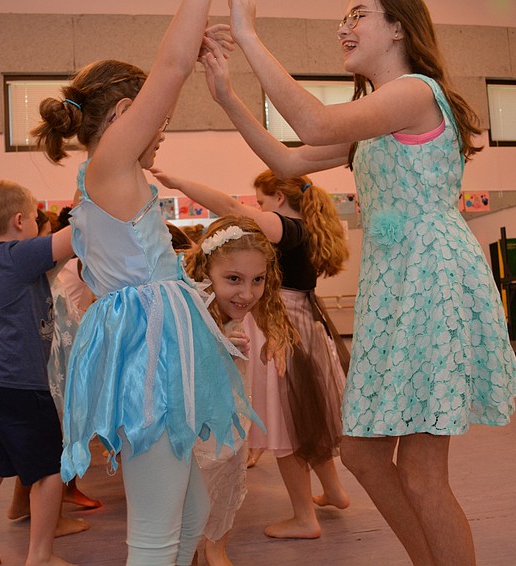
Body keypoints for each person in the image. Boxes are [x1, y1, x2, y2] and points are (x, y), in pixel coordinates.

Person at [198, 0, 516, 563]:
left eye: (359, 14)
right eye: (344, 17)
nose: (344, 26)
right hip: (394, 287)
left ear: (399, 25)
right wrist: (226, 92)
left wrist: (249, 36)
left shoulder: (416, 93)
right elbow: (287, 156)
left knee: (422, 474)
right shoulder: (376, 119)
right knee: (363, 455)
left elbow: (315, 123)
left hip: (430, 281)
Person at [31, 3, 257, 564]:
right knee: (155, 533)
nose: (162, 132)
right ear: (128, 113)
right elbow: (174, 64)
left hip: (153, 351)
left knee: (191, 511)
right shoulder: (110, 164)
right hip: (147, 364)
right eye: (159, 119)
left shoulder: (111, 175)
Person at [153, 170, 351, 540]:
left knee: (284, 424)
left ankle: (305, 517)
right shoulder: (306, 227)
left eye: (260, 203)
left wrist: (182, 183)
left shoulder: (286, 227)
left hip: (283, 325)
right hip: (301, 321)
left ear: (279, 198)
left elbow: (228, 207)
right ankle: (334, 491)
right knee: (305, 416)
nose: (257, 211)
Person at [0, 179, 74, 566]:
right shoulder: (18, 254)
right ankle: (40, 556)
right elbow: (77, 235)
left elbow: (60, 252)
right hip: (16, 383)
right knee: (49, 470)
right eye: (38, 218)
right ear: (21, 220)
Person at [184, 215, 298, 565]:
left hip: (232, 416)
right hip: (194, 425)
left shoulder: (242, 301)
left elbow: (266, 307)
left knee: (228, 474)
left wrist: (277, 333)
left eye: (258, 280)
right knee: (193, 493)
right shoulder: (188, 306)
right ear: (207, 271)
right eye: (233, 279)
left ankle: (216, 547)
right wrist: (213, 342)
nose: (247, 293)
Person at [6, 208, 99, 534]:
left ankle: (24, 504)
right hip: (52, 368)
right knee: (55, 439)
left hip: (58, 362)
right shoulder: (38, 269)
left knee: (55, 437)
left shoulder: (44, 273)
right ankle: (51, 519)